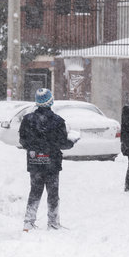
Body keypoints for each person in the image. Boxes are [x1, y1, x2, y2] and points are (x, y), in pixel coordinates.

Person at [19, 88, 77, 232]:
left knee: (34, 191)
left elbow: (23, 141)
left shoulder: (27, 120)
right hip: (52, 163)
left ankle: (28, 222)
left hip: (35, 162)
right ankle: (53, 223)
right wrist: (72, 141)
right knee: (53, 193)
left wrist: (35, 147)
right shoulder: (58, 121)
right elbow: (63, 143)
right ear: (51, 101)